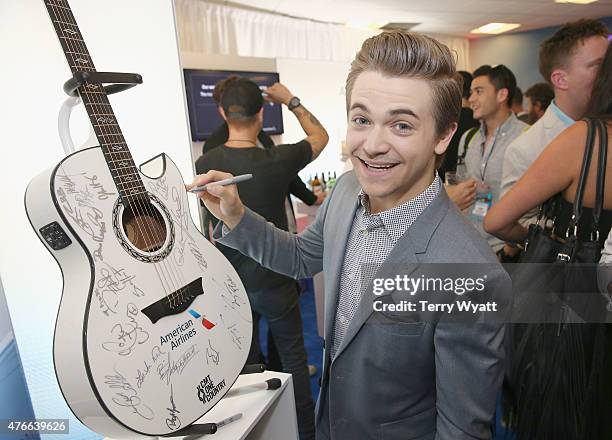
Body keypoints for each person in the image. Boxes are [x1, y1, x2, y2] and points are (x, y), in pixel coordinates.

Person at [190, 31, 510, 440]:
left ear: (443, 135)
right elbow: (302, 257)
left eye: (401, 124)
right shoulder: (344, 190)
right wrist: (236, 215)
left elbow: (461, 429)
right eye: (361, 120)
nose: (372, 145)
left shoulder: (470, 274)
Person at [484, 43, 612, 439]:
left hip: (566, 297)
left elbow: (498, 219)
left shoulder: (586, 140)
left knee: (556, 402)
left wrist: (542, 237)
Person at [197, 77, 329, 440]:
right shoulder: (278, 159)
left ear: (224, 113)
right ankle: (305, 432)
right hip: (276, 277)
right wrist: (292, 100)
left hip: (232, 283)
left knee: (246, 370)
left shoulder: (206, 162)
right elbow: (321, 138)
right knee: (294, 361)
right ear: (260, 114)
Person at [497, 19, 608, 261]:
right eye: (599, 65)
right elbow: (512, 222)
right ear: (561, 79)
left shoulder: (606, 133)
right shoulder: (526, 148)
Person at [458, 64, 528, 252]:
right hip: (470, 245)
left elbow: (533, 202)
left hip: (505, 249)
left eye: (478, 92)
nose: (471, 99)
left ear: (501, 95)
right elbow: (462, 186)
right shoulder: (468, 139)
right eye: (471, 92)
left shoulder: (526, 138)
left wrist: (510, 249)